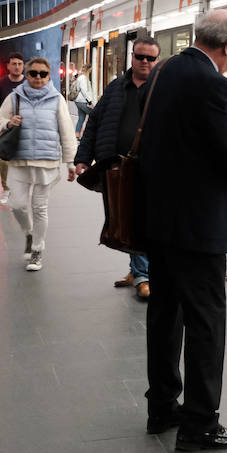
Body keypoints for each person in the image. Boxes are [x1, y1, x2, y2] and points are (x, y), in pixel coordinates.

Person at [136, 9, 227, 452]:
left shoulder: (167, 69)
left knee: (165, 315)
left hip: (160, 219)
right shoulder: (212, 84)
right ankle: (201, 424)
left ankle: (162, 407)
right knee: (206, 322)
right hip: (198, 225)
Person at [74, 38, 160, 300]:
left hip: (151, 166)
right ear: (131, 58)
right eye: (139, 56)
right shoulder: (115, 88)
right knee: (126, 219)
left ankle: (143, 274)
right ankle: (138, 271)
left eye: (150, 58)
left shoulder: (163, 89)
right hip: (117, 166)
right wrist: (83, 157)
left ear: (157, 61)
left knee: (143, 218)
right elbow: (95, 123)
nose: (144, 62)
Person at [0, 56, 77, 272]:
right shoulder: (14, 97)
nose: (38, 78)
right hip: (19, 160)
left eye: (43, 74)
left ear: (49, 76)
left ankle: (37, 249)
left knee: (40, 208)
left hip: (46, 162)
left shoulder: (57, 100)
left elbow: (66, 131)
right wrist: (8, 122)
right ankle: (29, 233)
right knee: (17, 205)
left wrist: (71, 162)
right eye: (34, 73)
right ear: (27, 75)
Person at [0, 53, 24, 206]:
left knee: (24, 160)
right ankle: (6, 188)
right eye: (14, 64)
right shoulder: (1, 85)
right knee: (5, 160)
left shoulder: (28, 84)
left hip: (24, 129)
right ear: (8, 66)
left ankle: (21, 189)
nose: (17, 67)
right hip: (5, 127)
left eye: (20, 64)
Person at [71, 63, 95, 136]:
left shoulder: (80, 77)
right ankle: (89, 135)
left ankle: (77, 134)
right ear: (88, 70)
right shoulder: (83, 78)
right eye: (90, 70)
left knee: (81, 118)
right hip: (83, 101)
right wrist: (90, 102)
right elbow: (84, 91)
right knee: (94, 116)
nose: (91, 72)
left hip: (79, 101)